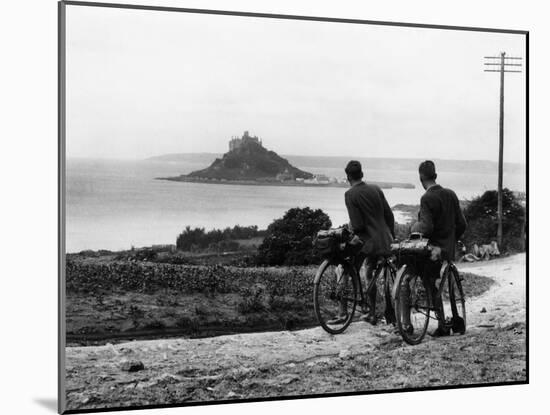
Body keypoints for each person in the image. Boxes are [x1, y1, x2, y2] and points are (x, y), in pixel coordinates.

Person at [329, 160, 395, 325]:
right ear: (362, 175)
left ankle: (343, 313)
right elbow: (389, 216)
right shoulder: (376, 189)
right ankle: (371, 313)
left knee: (341, 269)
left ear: (348, 177)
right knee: (369, 272)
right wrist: (391, 237)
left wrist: (350, 234)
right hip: (385, 240)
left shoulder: (350, 194)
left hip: (367, 242)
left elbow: (357, 225)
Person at [411, 160, 467, 336]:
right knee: (446, 283)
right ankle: (455, 320)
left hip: (434, 252)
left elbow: (426, 228)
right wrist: (452, 240)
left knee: (428, 281)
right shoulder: (450, 194)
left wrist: (414, 228)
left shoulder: (427, 198)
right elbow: (462, 224)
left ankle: (442, 323)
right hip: (448, 251)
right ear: (435, 175)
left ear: (421, 178)